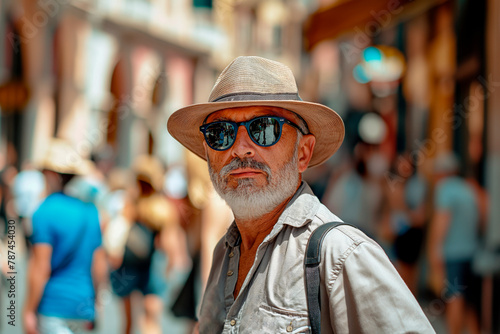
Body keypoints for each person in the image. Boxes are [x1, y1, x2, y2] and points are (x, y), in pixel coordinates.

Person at [167, 56, 434, 333]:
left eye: (264, 128)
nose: (241, 148)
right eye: (220, 133)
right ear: (208, 154)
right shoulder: (225, 252)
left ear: (302, 153)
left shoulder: (341, 255)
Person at [23, 138, 107, 334]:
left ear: (51, 174)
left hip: (53, 306)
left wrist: (28, 310)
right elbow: (99, 264)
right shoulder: (91, 211)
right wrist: (97, 302)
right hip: (83, 306)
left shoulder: (43, 211)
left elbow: (40, 267)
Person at [427, 152, 481, 334]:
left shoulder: (445, 189)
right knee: (470, 301)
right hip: (471, 250)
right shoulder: (468, 188)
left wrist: (434, 249)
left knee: (454, 298)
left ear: (442, 173)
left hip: (453, 252)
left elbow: (442, 221)